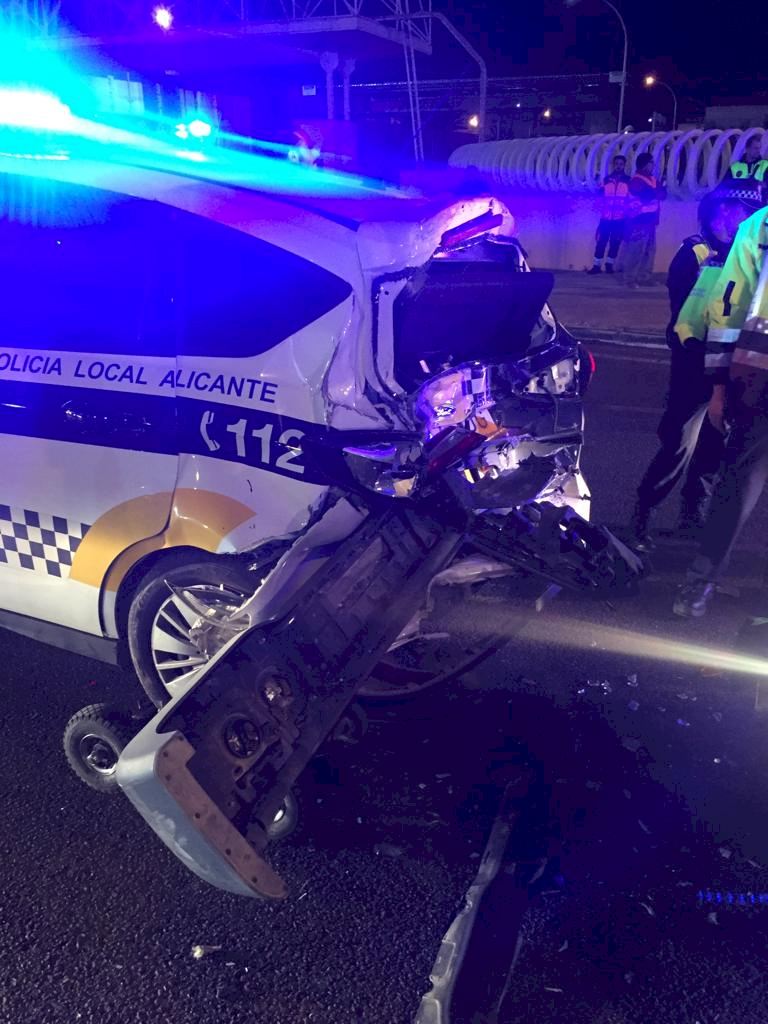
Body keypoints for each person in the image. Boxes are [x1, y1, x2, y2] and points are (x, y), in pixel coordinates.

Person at [630, 183, 760, 549]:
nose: (744, 222)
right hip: (693, 361)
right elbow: (684, 312)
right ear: (719, 211)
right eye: (740, 212)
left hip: (732, 363)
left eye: (750, 214)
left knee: (715, 444)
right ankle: (643, 514)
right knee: (678, 443)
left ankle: (692, 514)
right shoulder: (694, 252)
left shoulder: (748, 253)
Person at [672, 201, 768, 647]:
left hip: (757, 373)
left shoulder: (760, 224)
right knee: (737, 483)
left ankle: (700, 584)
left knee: (737, 483)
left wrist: (719, 384)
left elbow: (728, 304)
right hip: (758, 377)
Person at [623, 154, 667, 289]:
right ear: (645, 164)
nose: (653, 165)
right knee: (636, 250)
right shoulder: (636, 180)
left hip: (651, 219)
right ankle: (630, 278)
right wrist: (657, 191)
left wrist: (656, 192)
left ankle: (644, 277)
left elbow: (662, 195)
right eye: (651, 162)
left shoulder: (652, 180)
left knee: (649, 250)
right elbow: (647, 196)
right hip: (639, 220)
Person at [587, 154, 631, 274]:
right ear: (613, 165)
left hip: (620, 218)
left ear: (624, 165)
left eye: (621, 164)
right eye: (616, 164)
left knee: (615, 242)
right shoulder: (606, 180)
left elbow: (630, 199)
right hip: (606, 217)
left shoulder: (628, 181)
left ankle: (609, 265)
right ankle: (596, 266)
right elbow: (600, 196)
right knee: (601, 241)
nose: (618, 166)